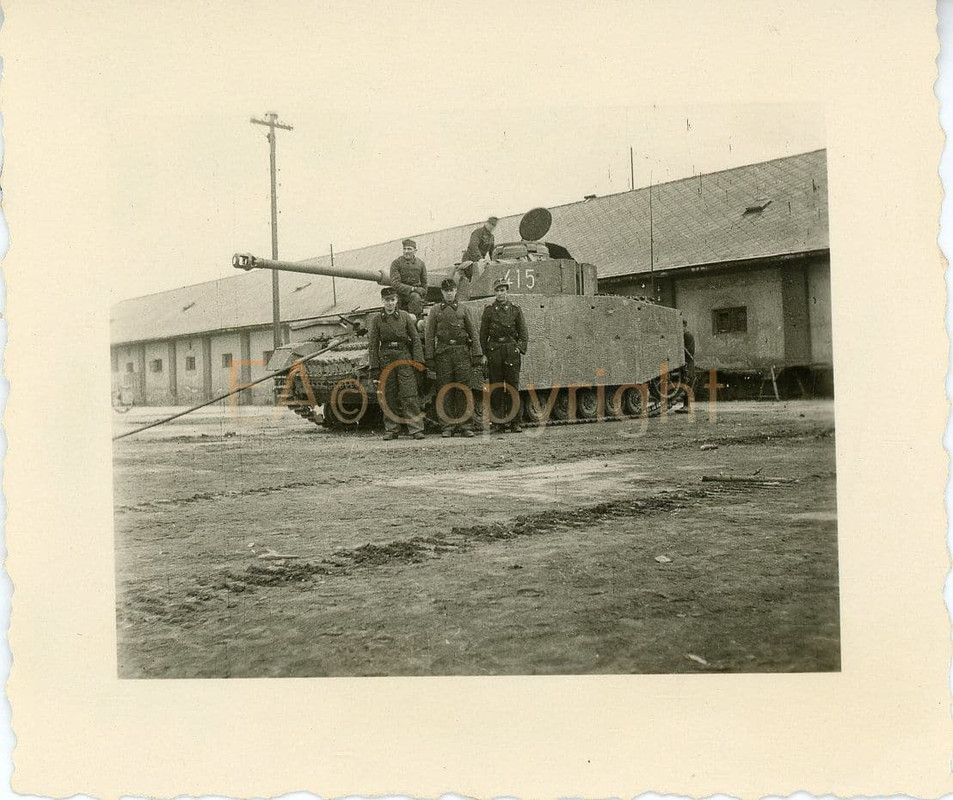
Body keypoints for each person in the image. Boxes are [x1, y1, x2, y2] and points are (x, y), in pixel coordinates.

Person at [367, 285, 426, 440]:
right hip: (386, 358)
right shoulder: (377, 319)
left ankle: (416, 429)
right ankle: (392, 429)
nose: (390, 303)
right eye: (387, 300)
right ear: (382, 301)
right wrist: (374, 366)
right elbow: (373, 344)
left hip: (403, 356)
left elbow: (415, 340)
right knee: (389, 395)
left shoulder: (405, 316)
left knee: (409, 393)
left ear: (397, 300)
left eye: (392, 300)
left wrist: (419, 360)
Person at [425, 278, 481, 438]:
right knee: (445, 389)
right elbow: (429, 336)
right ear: (442, 292)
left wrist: (477, 353)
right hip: (443, 353)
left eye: (451, 290)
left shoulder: (463, 309)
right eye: (446, 291)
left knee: (464, 389)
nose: (449, 293)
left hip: (461, 352)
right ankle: (447, 426)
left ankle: (466, 425)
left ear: (455, 291)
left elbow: (473, 332)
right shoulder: (436, 310)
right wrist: (429, 357)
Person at [479, 276, 528, 433]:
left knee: (513, 386)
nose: (500, 294)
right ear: (495, 293)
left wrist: (518, 348)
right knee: (496, 387)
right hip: (494, 351)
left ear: (507, 291)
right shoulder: (489, 311)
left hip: (510, 350)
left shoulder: (515, 310)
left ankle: (515, 422)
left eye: (503, 290)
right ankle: (498, 422)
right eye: (498, 291)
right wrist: (484, 354)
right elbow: (483, 334)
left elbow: (523, 333)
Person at [389, 238, 428, 318]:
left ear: (415, 250)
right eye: (404, 249)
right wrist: (413, 289)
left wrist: (423, 294)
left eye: (409, 249)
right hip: (399, 294)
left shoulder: (420, 264)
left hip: (414, 296)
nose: (406, 251)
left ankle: (414, 322)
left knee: (416, 297)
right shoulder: (396, 263)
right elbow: (395, 284)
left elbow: (424, 282)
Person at [676, 318, 696, 414]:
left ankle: (688, 406)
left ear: (684, 326)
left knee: (688, 383)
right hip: (686, 362)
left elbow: (690, 352)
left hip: (688, 362)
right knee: (686, 384)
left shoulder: (687, 335)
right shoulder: (684, 335)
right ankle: (685, 406)